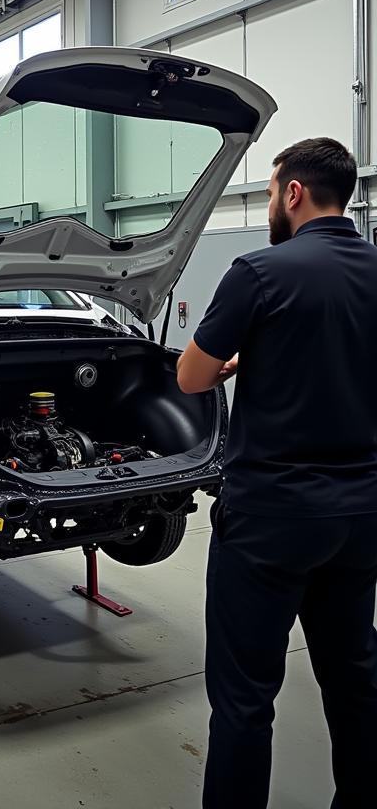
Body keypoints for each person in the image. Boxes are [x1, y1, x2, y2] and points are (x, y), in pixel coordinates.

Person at [176, 138, 377, 808]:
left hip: (272, 517)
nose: (268, 204)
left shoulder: (260, 270)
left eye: (268, 192)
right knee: (355, 680)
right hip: (360, 514)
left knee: (244, 699)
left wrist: (233, 363)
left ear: (293, 193)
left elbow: (191, 374)